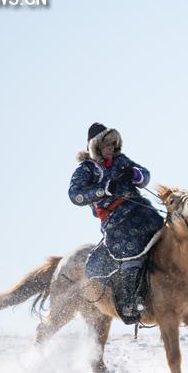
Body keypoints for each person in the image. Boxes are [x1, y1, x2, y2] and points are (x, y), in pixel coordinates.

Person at [68, 122, 164, 324]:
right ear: (96, 147)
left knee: (166, 232)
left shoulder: (121, 160)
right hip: (116, 220)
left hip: (141, 209)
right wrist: (103, 190)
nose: (111, 149)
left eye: (113, 144)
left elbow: (144, 174)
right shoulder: (86, 169)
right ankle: (129, 301)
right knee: (130, 246)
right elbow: (75, 195)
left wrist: (137, 175)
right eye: (106, 145)